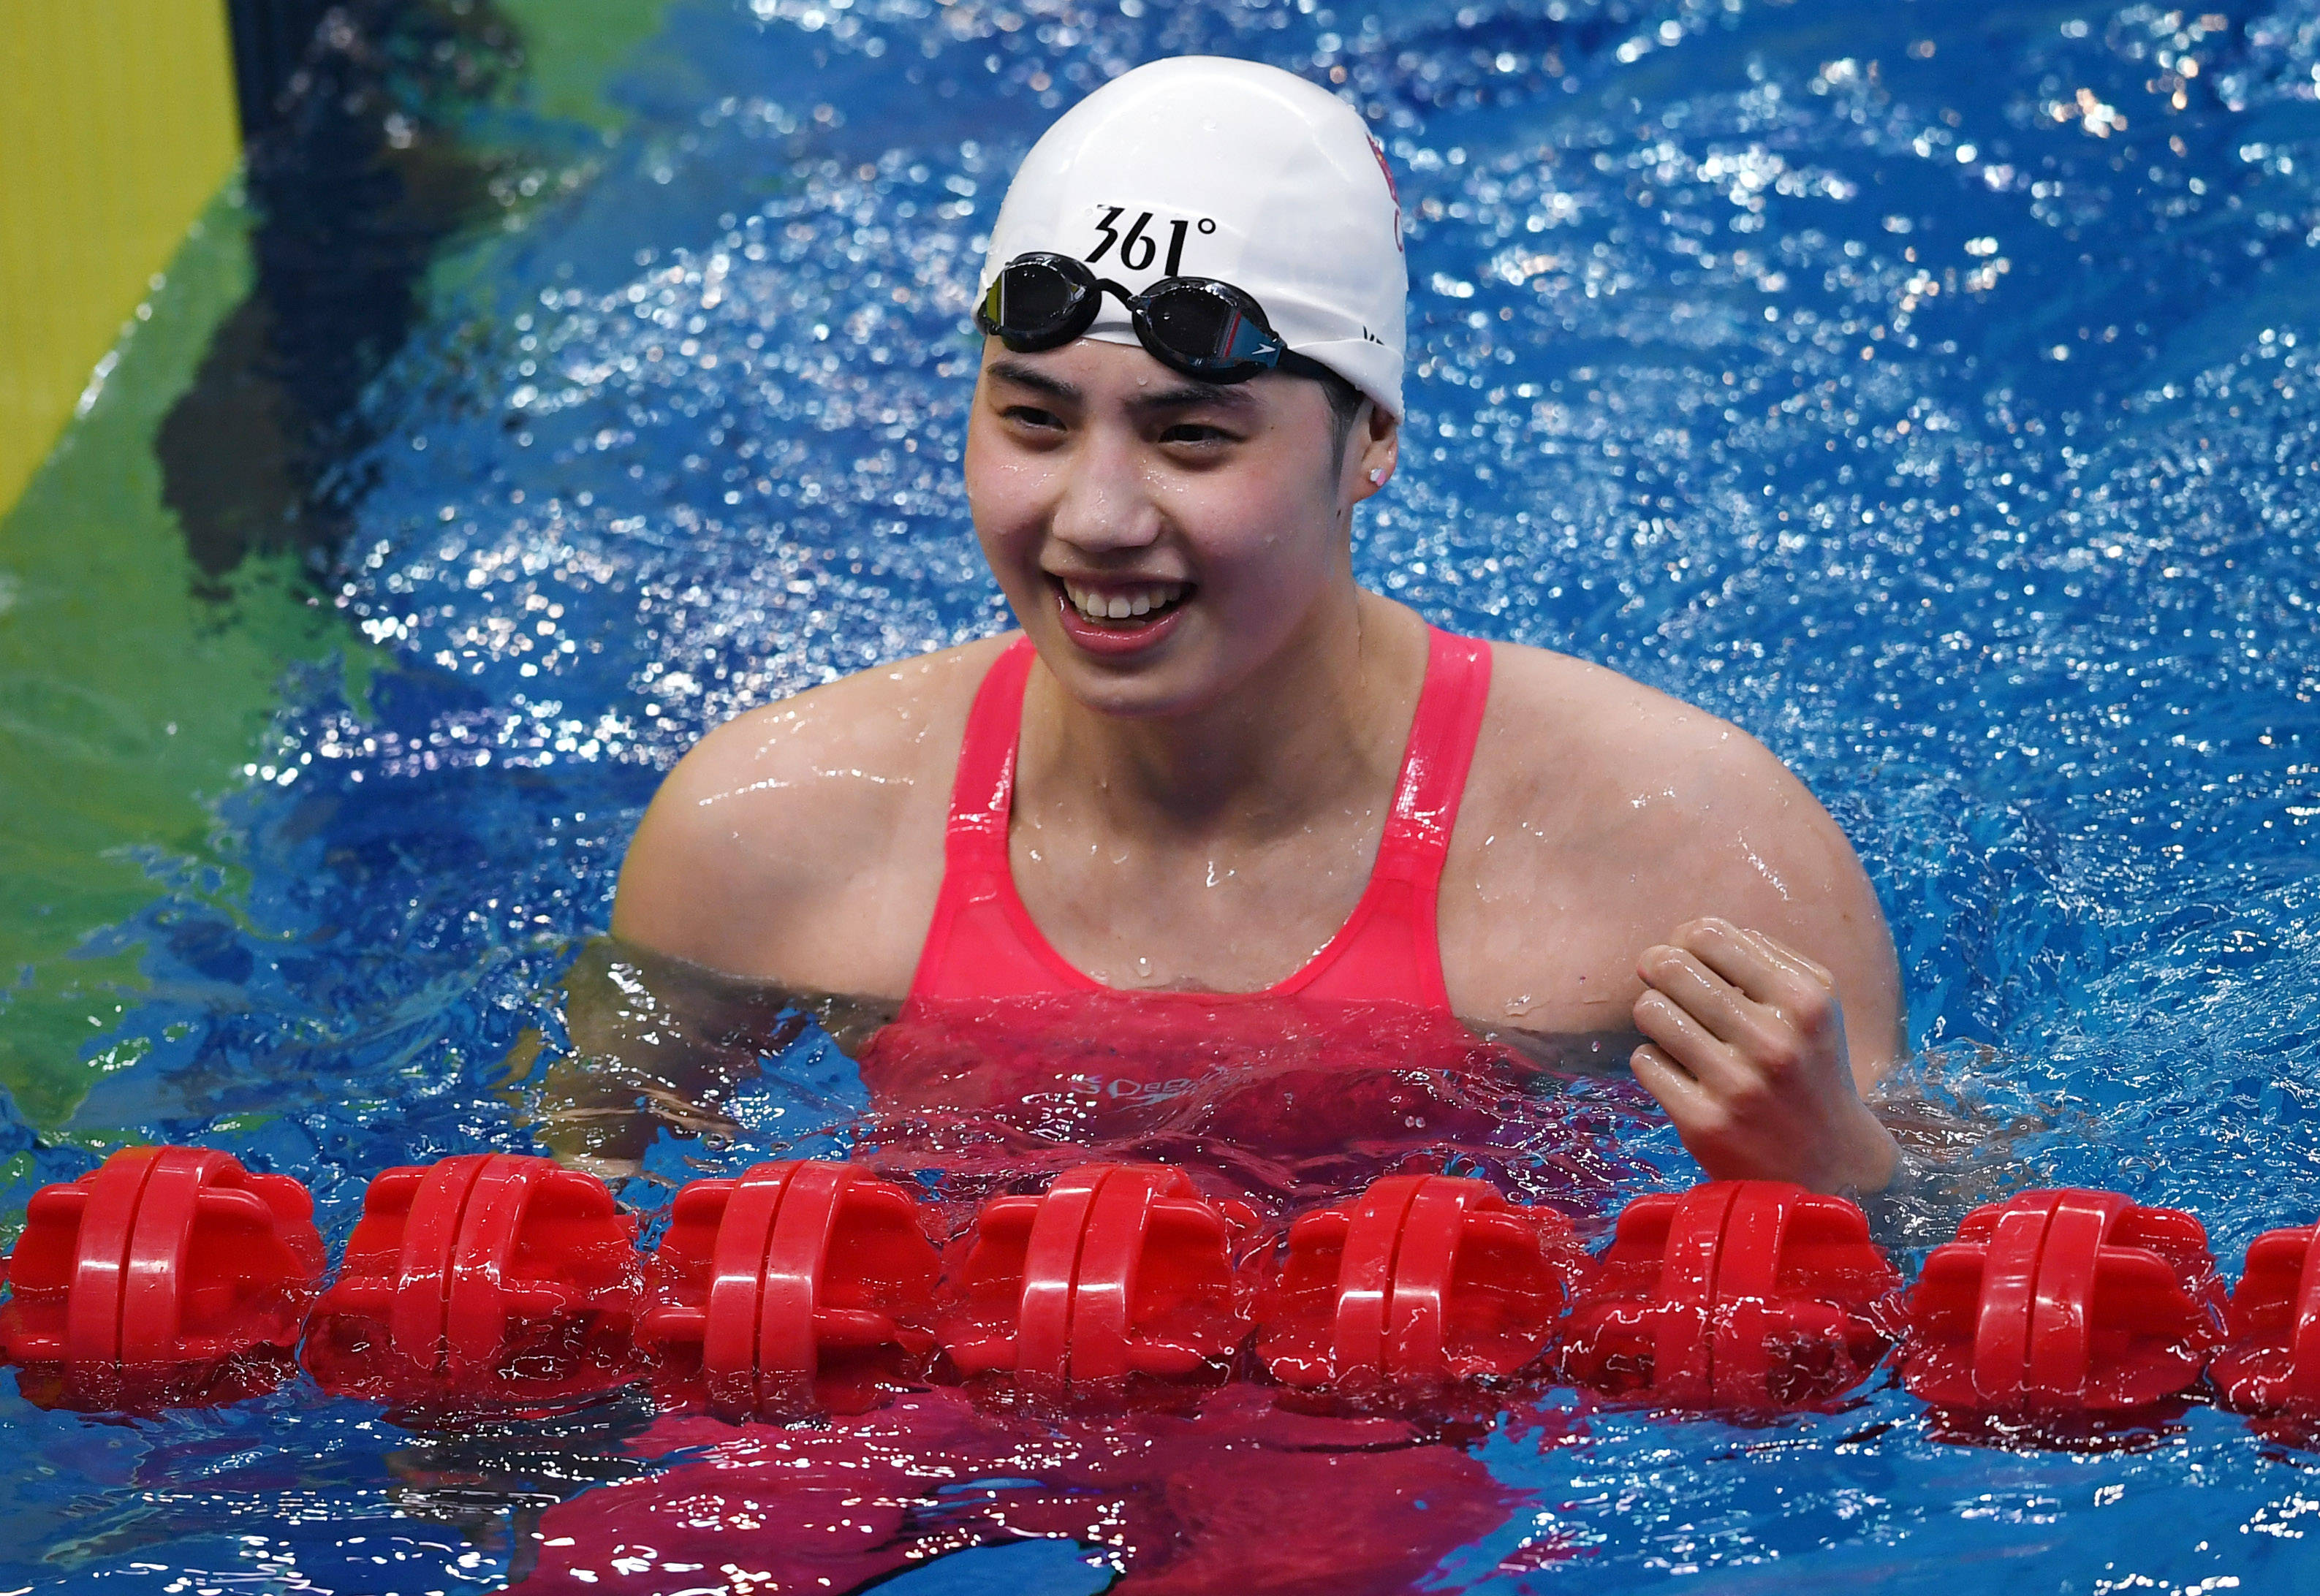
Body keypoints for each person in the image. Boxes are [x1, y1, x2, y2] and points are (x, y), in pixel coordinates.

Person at [606, 55, 1904, 1196]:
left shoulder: (1689, 862)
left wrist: (1842, 1178)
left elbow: (1989, 1324)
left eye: (1190, 436)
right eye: (1034, 422)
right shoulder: (761, 836)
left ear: (1371, 442)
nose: (1096, 517)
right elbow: (545, 1260)